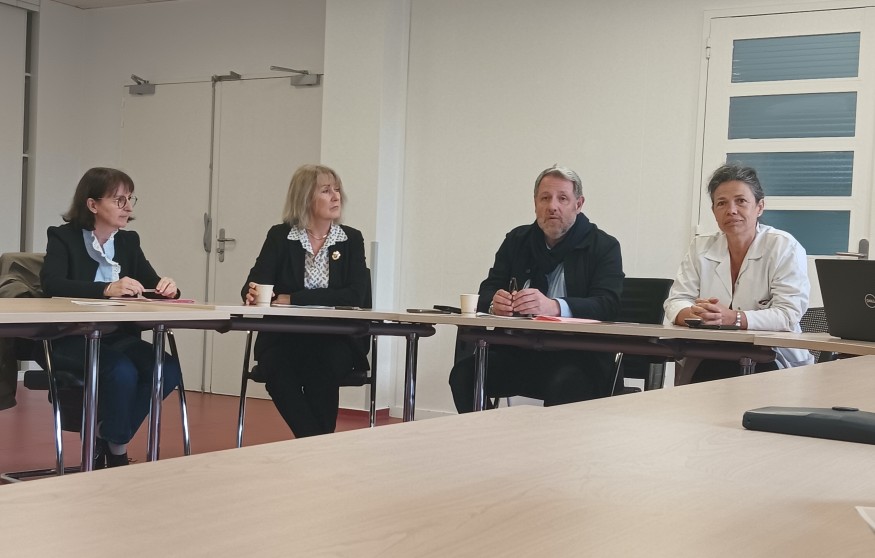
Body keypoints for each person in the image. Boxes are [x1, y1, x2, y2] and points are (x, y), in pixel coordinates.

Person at [449, 164, 624, 412]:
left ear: (578, 204)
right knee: (464, 375)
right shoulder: (517, 241)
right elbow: (487, 291)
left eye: (562, 198)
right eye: (545, 198)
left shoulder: (603, 246)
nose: (552, 206)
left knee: (565, 383)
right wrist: (495, 303)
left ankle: (552, 441)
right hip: (520, 352)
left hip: (579, 357)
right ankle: (487, 435)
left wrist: (554, 307)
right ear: (535, 204)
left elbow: (608, 304)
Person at [40, 167, 182, 468]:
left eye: (130, 199)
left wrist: (168, 288)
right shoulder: (63, 237)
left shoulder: (128, 242)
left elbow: (151, 284)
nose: (128, 207)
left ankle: (109, 436)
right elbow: (52, 284)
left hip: (115, 336)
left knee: (166, 369)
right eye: (119, 200)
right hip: (69, 336)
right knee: (121, 371)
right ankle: (117, 452)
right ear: (93, 204)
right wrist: (105, 289)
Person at [242, 164, 370, 438]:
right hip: (284, 337)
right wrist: (252, 293)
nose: (336, 196)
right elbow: (255, 282)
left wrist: (294, 298)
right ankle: (317, 443)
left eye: (337, 189)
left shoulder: (351, 239)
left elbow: (354, 295)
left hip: (335, 338)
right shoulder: (280, 236)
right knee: (276, 368)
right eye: (326, 190)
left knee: (321, 366)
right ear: (304, 197)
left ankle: (312, 444)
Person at [663, 163, 814, 382]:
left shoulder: (783, 246)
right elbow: (676, 301)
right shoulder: (700, 247)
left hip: (772, 358)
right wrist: (697, 315)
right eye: (721, 203)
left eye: (741, 201)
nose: (731, 210)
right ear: (714, 211)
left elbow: (788, 313)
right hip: (709, 354)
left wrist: (734, 318)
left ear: (759, 207)